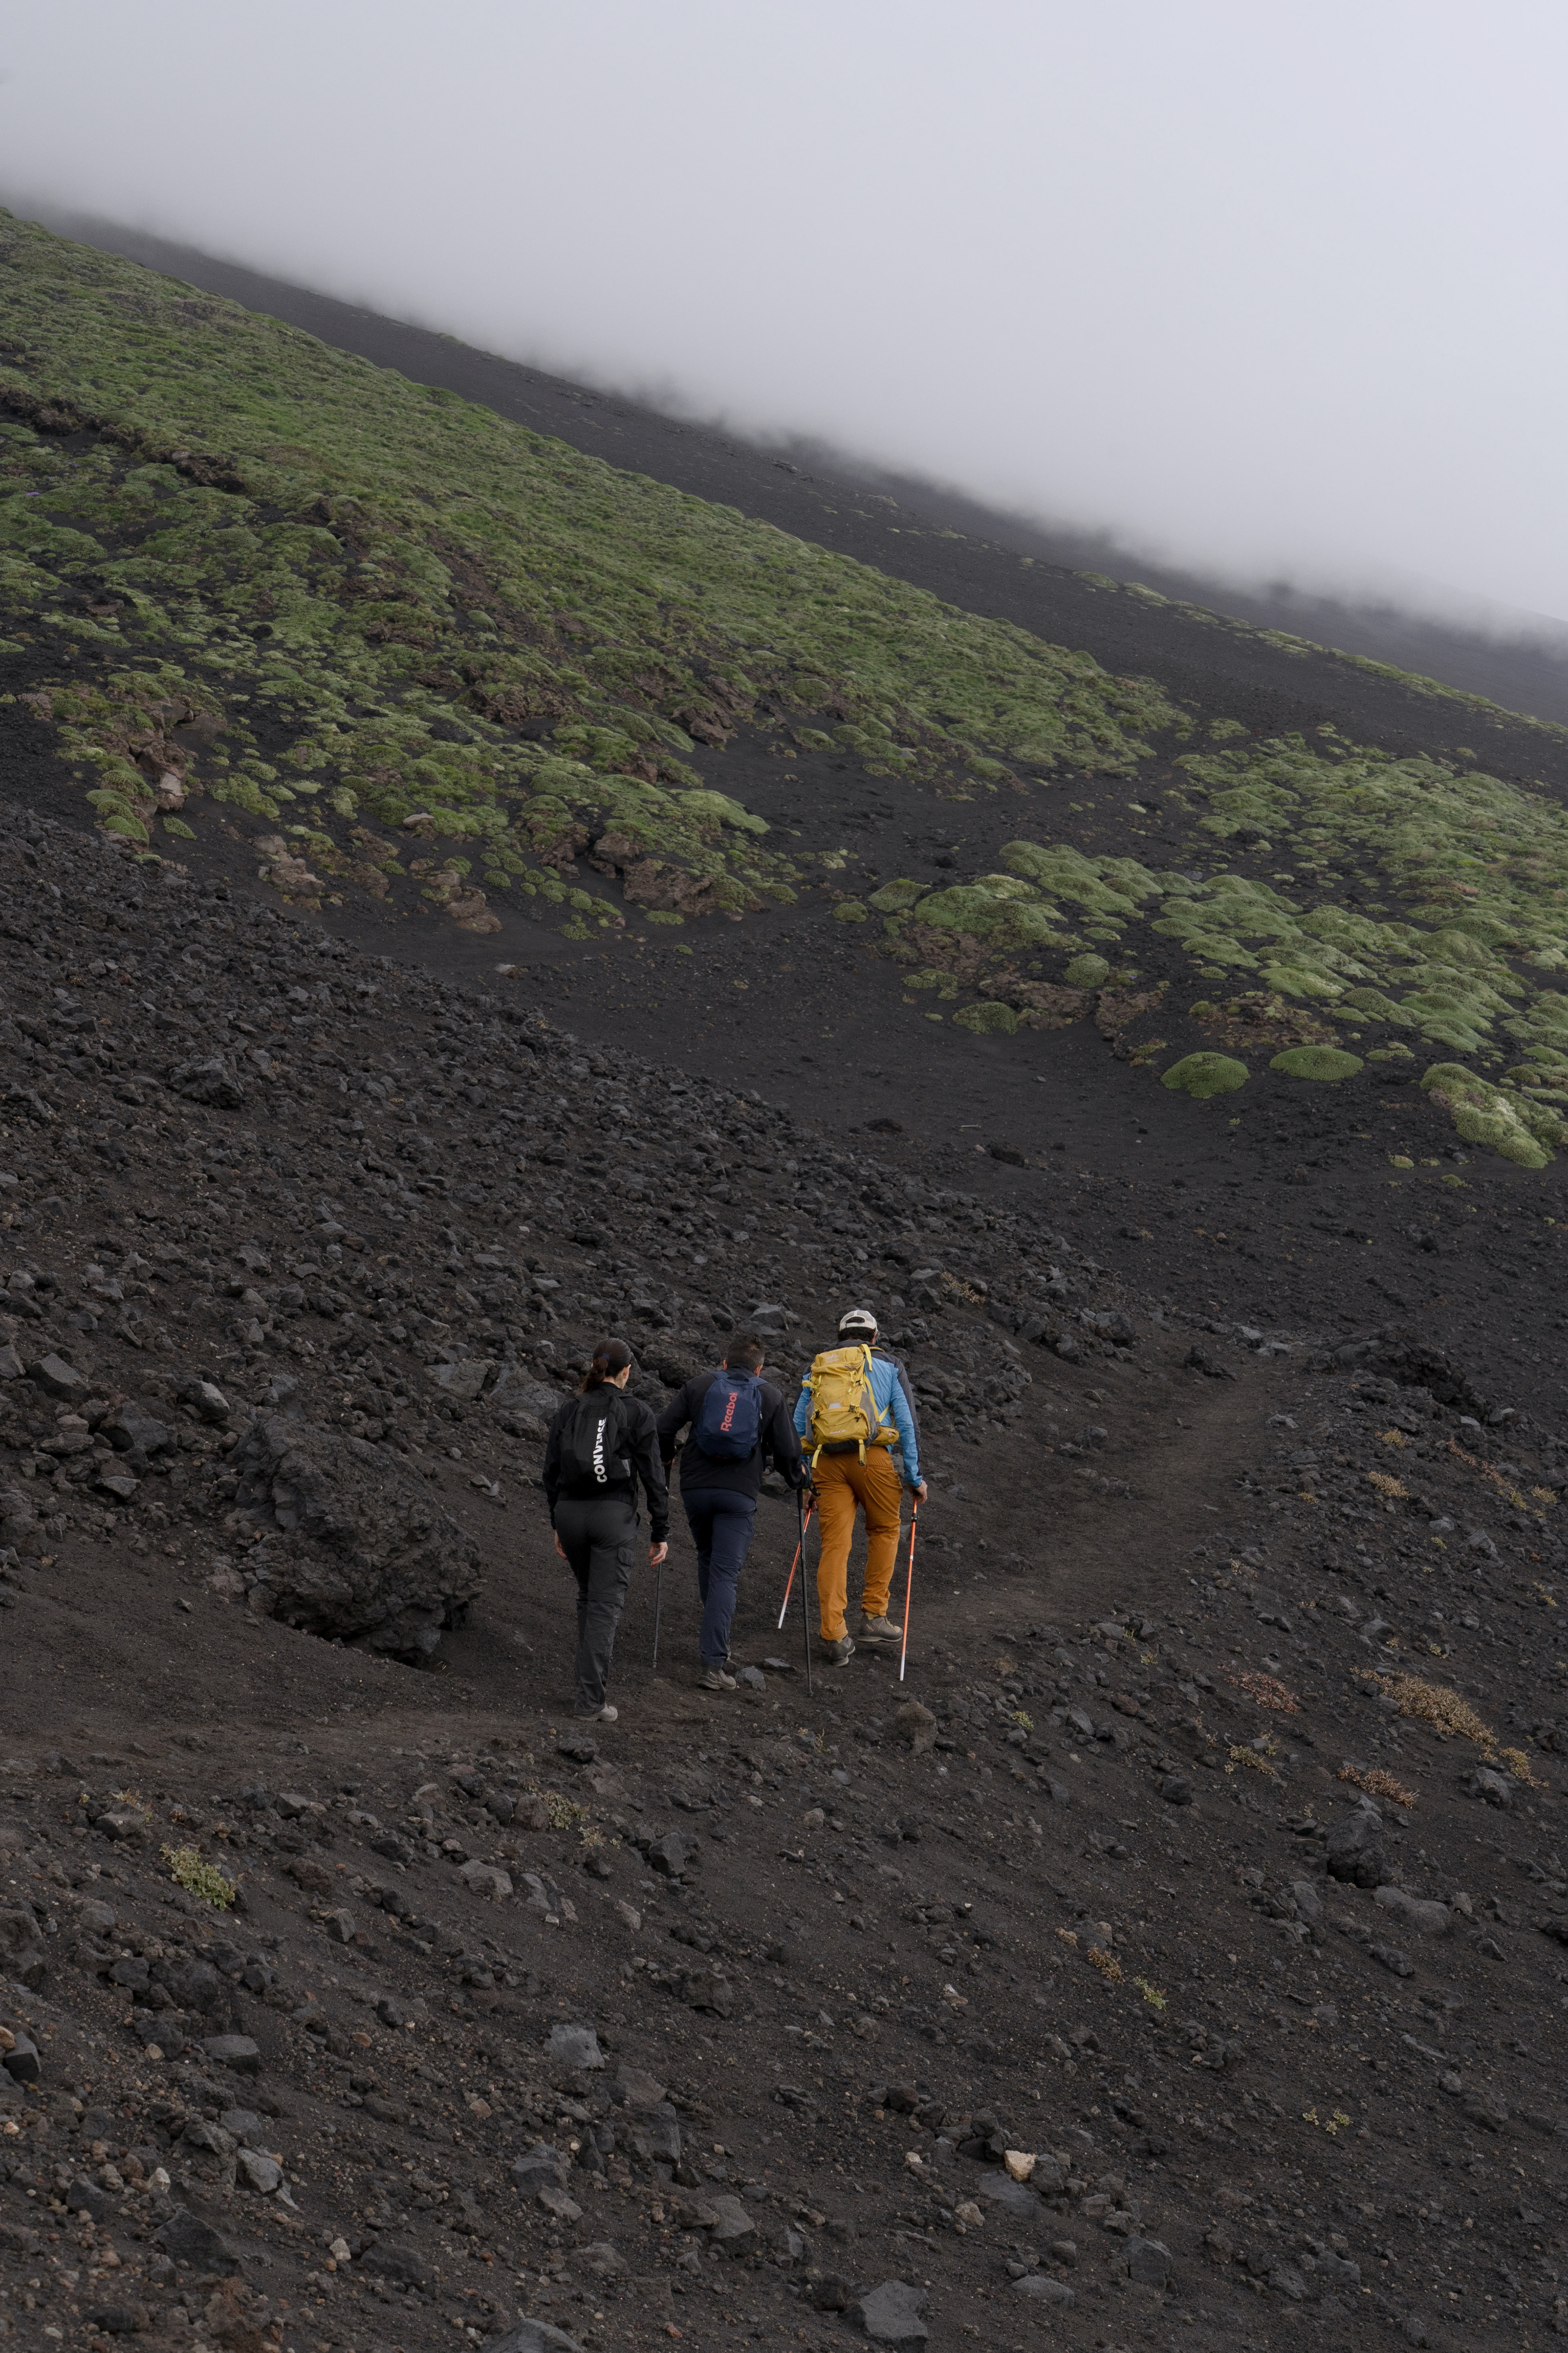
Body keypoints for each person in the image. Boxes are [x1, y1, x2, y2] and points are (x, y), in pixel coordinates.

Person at [657, 1334, 808, 1691]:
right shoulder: (769, 1393)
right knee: (725, 1572)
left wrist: (668, 1454)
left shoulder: (700, 1384)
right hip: (738, 1493)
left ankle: (717, 1647)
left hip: (695, 1488)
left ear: (725, 1364)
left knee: (708, 1559)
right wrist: (799, 1480)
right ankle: (713, 1663)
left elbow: (662, 1428)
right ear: (759, 1368)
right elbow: (789, 1452)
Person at [542, 1338, 669, 1722]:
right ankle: (591, 1703)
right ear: (626, 1371)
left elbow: (550, 1472)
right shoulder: (638, 1412)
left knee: (588, 1597)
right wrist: (660, 1530)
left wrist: (557, 1522)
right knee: (603, 1606)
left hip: (570, 1513)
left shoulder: (569, 1410)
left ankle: (587, 1691)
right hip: (612, 1517)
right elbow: (653, 1477)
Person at [794, 1305, 926, 1665]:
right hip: (873, 1458)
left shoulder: (818, 1366)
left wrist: (805, 1477)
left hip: (826, 1464)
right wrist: (915, 1477)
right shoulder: (888, 1364)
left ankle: (835, 1636)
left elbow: (798, 1424)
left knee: (835, 1545)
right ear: (874, 1337)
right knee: (885, 1528)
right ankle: (873, 1616)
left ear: (841, 1336)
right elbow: (908, 1422)